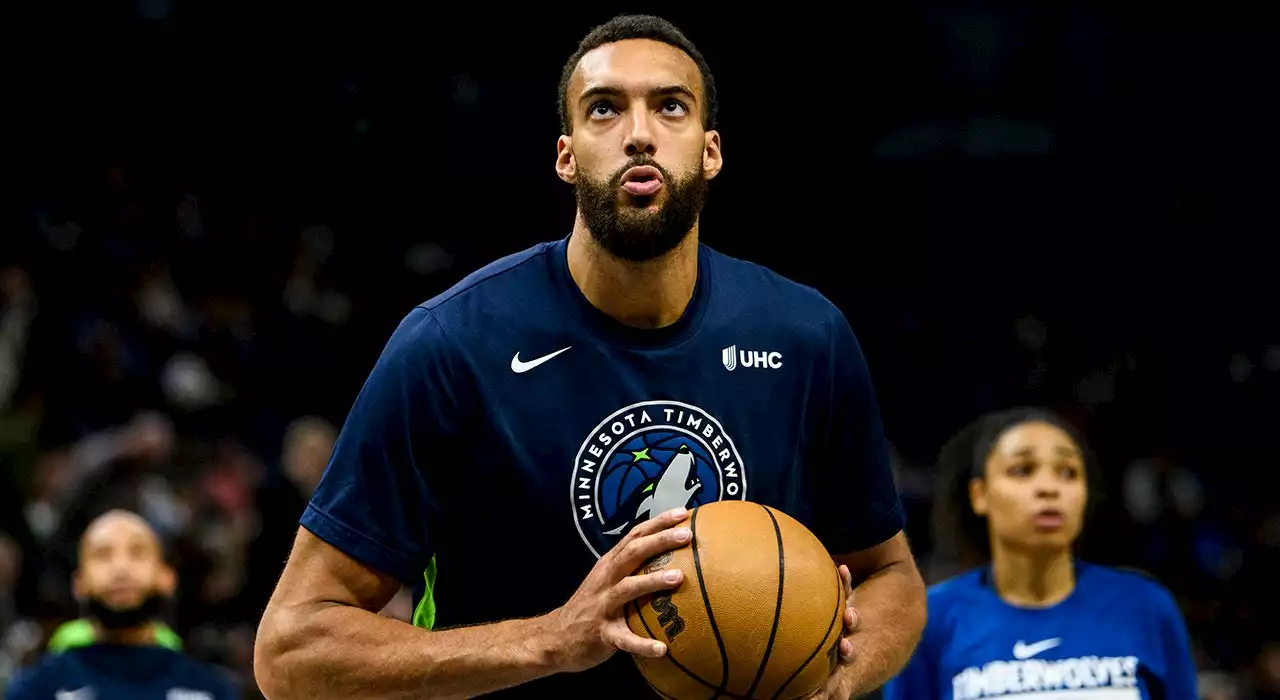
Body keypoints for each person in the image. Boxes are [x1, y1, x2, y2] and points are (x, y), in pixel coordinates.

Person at [254, 13, 926, 700]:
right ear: (566, 155)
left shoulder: (805, 334)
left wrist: (835, 679)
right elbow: (292, 649)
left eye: (671, 106)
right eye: (604, 109)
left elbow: (890, 576)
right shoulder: (452, 344)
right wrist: (547, 640)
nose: (639, 132)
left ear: (711, 150)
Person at [882, 407, 1198, 699]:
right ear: (979, 495)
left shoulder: (1144, 606)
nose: (1049, 487)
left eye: (1068, 472)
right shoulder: (933, 620)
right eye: (1023, 470)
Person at [7, 509, 239, 699]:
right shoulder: (36, 690)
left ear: (167, 577)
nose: (121, 569)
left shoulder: (213, 691)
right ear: (79, 583)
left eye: (137, 552)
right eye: (102, 555)